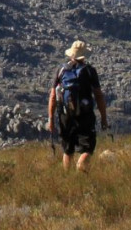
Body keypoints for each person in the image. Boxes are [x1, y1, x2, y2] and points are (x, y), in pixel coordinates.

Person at [46, 39, 107, 171]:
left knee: (67, 149)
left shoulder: (61, 70)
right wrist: (103, 118)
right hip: (85, 115)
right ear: (84, 56)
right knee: (88, 147)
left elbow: (52, 96)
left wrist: (50, 119)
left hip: (65, 115)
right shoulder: (89, 71)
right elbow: (99, 96)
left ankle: (67, 178)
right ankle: (81, 167)